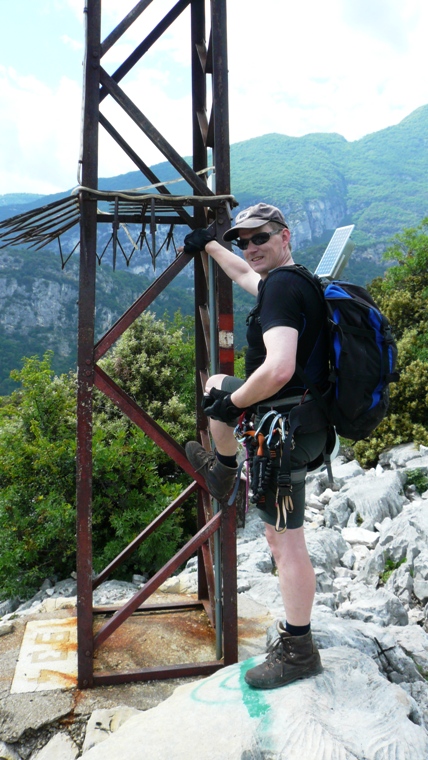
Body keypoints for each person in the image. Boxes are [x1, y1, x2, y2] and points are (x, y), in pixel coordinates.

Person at [182, 203, 330, 690]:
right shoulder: (291, 280)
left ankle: (299, 651)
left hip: (285, 437)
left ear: (284, 236)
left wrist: (234, 405)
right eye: (242, 240)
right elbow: (245, 272)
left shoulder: (283, 288)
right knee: (217, 382)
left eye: (259, 238)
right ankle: (225, 468)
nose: (250, 247)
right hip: (295, 424)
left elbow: (280, 366)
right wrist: (210, 245)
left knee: (285, 542)